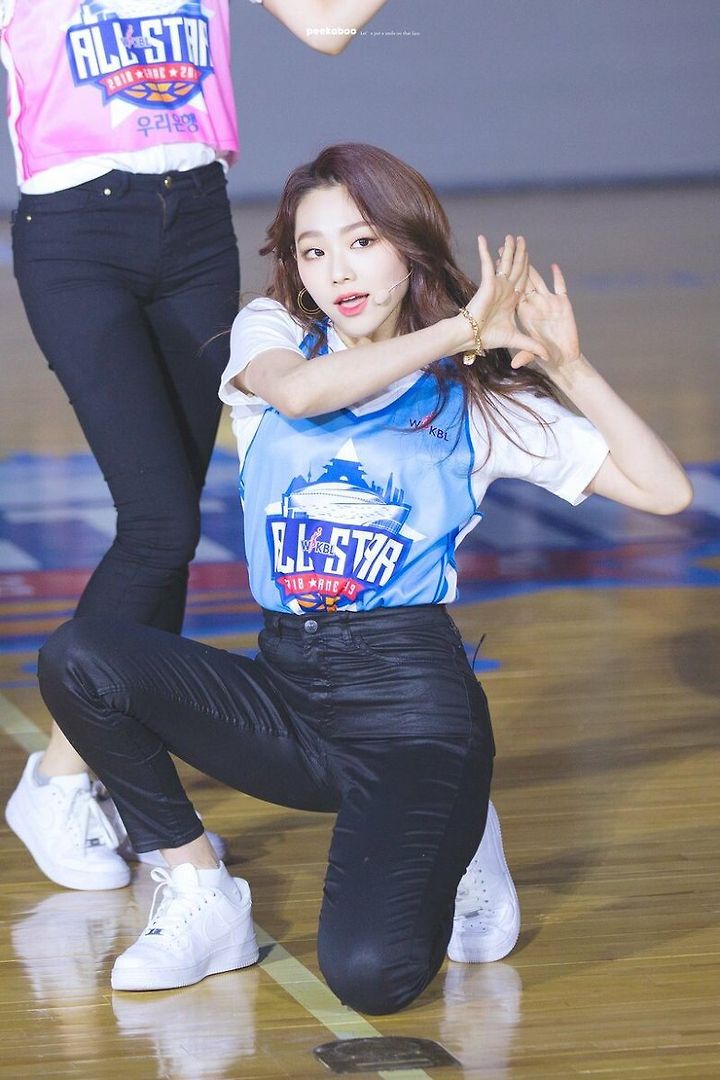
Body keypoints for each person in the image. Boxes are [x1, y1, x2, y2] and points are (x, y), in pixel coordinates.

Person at [35, 143, 692, 1014]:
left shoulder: (475, 402)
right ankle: (200, 891)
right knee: (81, 657)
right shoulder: (272, 338)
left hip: (413, 710)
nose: (336, 271)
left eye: (362, 242)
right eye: (313, 251)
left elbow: (665, 491)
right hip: (288, 690)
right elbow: (303, 396)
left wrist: (567, 366)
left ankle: (463, 822)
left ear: (408, 248)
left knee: (371, 977)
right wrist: (462, 328)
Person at [1, 0, 391, 891]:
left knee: (169, 526)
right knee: (160, 524)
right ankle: (56, 781)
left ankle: (124, 791)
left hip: (196, 227)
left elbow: (326, 26)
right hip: (76, 235)